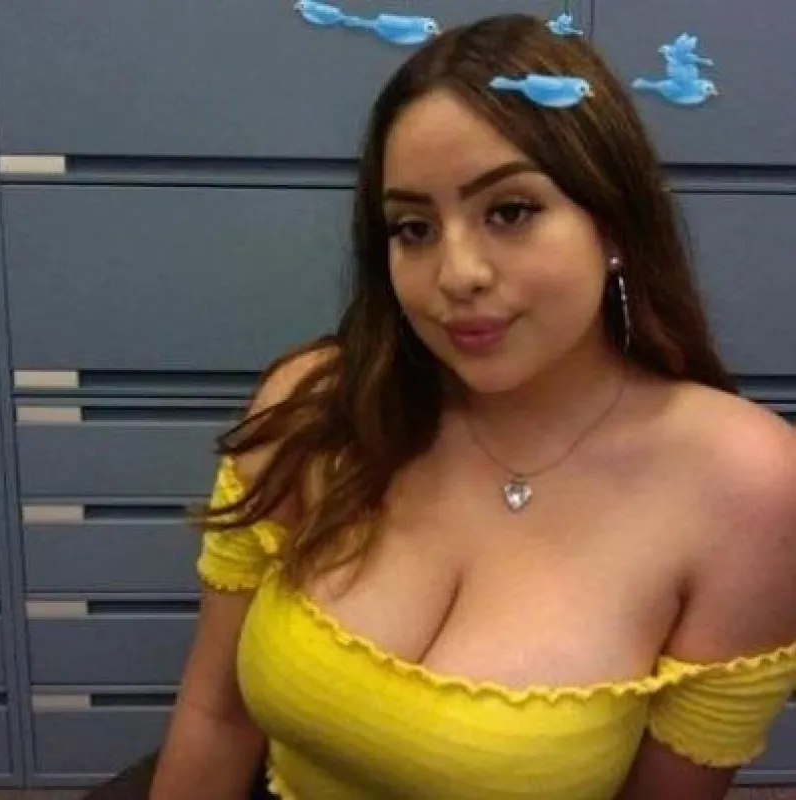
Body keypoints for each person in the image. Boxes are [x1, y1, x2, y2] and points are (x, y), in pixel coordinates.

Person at [149, 13, 796, 800]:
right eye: (413, 228)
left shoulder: (746, 486)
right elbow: (217, 717)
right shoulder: (317, 405)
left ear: (614, 225)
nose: (456, 274)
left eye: (509, 211)